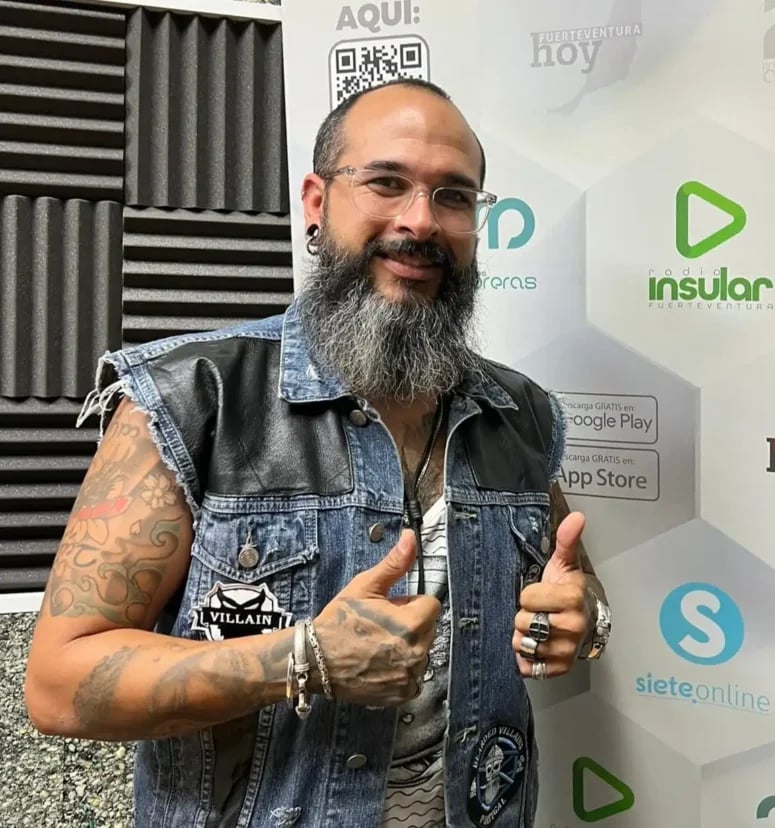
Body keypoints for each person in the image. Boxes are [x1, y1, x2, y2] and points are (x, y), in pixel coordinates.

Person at [23, 78, 612, 828]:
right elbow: (57, 685)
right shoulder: (194, 399)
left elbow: (572, 584)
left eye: (454, 196)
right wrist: (305, 658)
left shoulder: (519, 413)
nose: (420, 221)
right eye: (386, 183)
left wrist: (581, 617)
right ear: (316, 201)